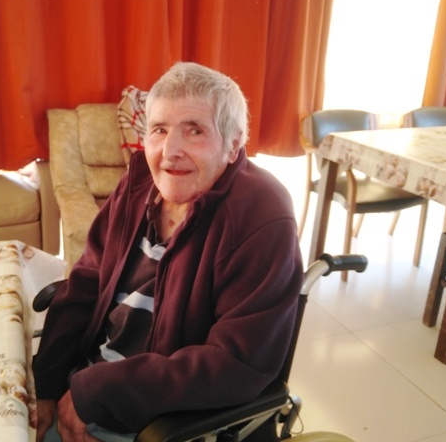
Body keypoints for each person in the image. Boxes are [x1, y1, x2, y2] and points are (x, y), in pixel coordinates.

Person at [32, 61, 303, 442]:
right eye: (159, 130)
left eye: (194, 131)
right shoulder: (139, 185)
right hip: (88, 385)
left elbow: (237, 362)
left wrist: (95, 393)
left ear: (233, 145)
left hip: (161, 420)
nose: (169, 151)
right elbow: (87, 284)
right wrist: (46, 385)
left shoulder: (262, 213)